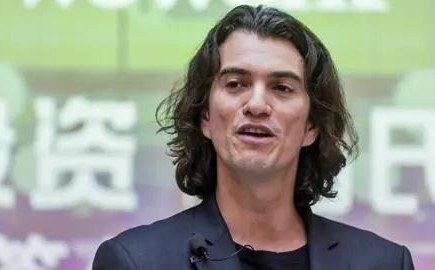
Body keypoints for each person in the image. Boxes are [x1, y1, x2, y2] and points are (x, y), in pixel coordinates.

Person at [92, 4, 414, 270]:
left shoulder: (384, 262)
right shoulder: (136, 260)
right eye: (235, 84)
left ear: (312, 126)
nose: (257, 105)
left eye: (282, 88)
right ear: (205, 116)